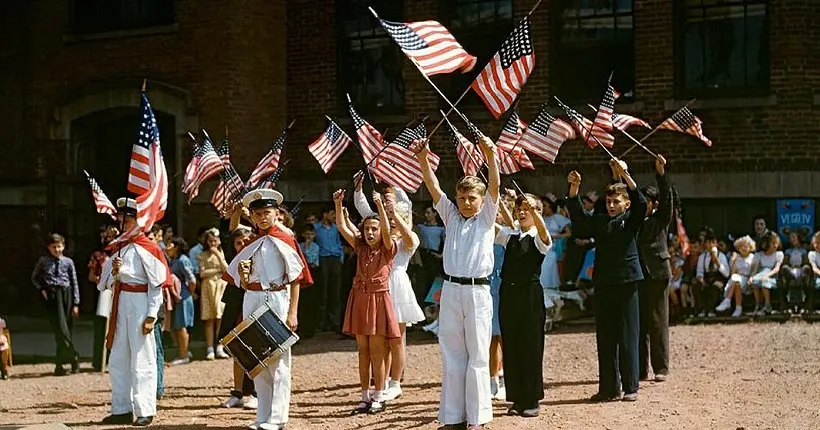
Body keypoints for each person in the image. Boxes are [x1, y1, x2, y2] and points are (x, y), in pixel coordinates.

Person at [415, 133, 500, 429]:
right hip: (451, 289)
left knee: (477, 352)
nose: (465, 202)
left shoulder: (487, 218)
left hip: (478, 291)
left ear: (480, 201)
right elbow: (434, 187)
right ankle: (452, 416)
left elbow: (494, 187)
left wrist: (490, 156)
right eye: (462, 197)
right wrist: (424, 159)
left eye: (471, 198)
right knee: (452, 351)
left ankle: (477, 417)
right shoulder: (450, 216)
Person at [224, 188, 312, 430]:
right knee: (257, 359)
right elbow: (239, 278)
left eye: (267, 212)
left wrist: (292, 312)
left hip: (276, 299)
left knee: (279, 361)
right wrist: (243, 277)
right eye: (257, 213)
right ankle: (262, 415)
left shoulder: (285, 240)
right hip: (251, 298)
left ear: (276, 214)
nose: (262, 217)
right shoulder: (251, 243)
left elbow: (295, 278)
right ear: (251, 216)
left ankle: (278, 417)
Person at [565, 159, 647, 402]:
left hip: (627, 282)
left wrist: (625, 174)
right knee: (606, 335)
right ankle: (609, 388)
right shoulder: (600, 222)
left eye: (616, 202)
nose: (611, 205)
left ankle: (631, 386)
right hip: (603, 283)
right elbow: (579, 218)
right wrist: (574, 190)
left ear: (626, 204)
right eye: (609, 202)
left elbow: (641, 204)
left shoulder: (631, 220)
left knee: (628, 334)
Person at [98, 198, 170, 426]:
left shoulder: (148, 248)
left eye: (128, 219)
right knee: (119, 358)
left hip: (140, 303)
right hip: (121, 304)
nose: (123, 223)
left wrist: (151, 315)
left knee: (142, 358)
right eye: (121, 219)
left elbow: (156, 284)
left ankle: (144, 409)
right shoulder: (118, 248)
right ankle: (121, 407)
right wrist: (115, 272)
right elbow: (104, 283)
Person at [352, 182, 425, 402]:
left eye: (394, 218)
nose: (391, 222)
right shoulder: (379, 239)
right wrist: (358, 190)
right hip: (377, 289)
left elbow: (407, 231)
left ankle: (396, 382)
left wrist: (395, 212)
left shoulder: (406, 240)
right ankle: (380, 383)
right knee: (379, 340)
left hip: (398, 287)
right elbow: (364, 210)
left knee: (397, 339)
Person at [334, 189, 399, 414]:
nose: (370, 233)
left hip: (379, 299)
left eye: (374, 229)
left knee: (377, 350)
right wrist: (338, 204)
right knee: (363, 350)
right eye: (367, 229)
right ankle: (364, 395)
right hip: (360, 298)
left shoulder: (388, 249)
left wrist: (380, 205)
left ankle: (379, 394)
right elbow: (342, 227)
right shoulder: (360, 248)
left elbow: (388, 232)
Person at [496, 194, 551, 417]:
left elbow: (545, 236)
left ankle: (532, 398)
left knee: (530, 346)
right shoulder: (510, 236)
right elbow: (497, 224)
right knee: (512, 345)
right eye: (519, 207)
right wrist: (499, 200)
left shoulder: (538, 237)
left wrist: (535, 212)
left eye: (527, 207)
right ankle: (517, 398)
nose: (522, 210)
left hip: (529, 295)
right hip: (508, 294)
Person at [636, 155, 673, 383]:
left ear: (653, 203)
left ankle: (661, 367)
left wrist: (661, 174)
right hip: (638, 273)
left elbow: (668, 200)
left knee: (658, 321)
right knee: (638, 323)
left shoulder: (660, 219)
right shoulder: (633, 220)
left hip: (657, 273)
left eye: (646, 200)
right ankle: (639, 369)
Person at [220, 226, 258, 410]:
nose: (242, 245)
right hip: (236, 306)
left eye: (246, 241)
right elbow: (230, 228)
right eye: (238, 243)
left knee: (256, 350)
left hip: (256, 305)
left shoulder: (260, 258)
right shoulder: (234, 261)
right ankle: (238, 393)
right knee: (237, 350)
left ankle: (256, 393)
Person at [31, 233, 80, 376]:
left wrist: (76, 303)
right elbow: (34, 277)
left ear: (63, 246)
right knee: (59, 328)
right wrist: (42, 290)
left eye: (59, 246)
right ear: (49, 248)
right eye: (54, 247)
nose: (57, 250)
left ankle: (60, 365)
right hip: (52, 296)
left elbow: (74, 282)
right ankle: (73, 356)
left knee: (66, 329)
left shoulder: (68, 262)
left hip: (67, 294)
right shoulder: (43, 261)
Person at [198, 230, 230, 360]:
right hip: (208, 287)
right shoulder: (202, 255)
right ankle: (210, 348)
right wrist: (218, 270)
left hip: (220, 287)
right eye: (210, 240)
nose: (212, 243)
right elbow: (202, 273)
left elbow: (227, 270)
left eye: (215, 240)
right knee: (209, 318)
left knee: (220, 317)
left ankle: (220, 347)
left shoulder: (221, 254)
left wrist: (218, 256)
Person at [314, 206, 344, 333]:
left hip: (335, 259)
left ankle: (335, 322)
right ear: (325, 214)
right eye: (331, 214)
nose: (333, 217)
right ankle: (321, 323)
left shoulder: (336, 228)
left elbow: (339, 242)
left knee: (335, 291)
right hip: (323, 259)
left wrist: (341, 256)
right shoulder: (316, 228)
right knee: (322, 291)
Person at [166, 237, 196, 365]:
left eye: (169, 245)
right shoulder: (174, 260)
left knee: (181, 326)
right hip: (176, 295)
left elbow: (192, 280)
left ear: (176, 246)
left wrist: (189, 293)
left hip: (183, 295)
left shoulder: (183, 260)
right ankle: (183, 351)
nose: (167, 248)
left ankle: (183, 355)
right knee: (175, 326)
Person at [718, 235, 756, 317]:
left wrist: (751, 279)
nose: (743, 248)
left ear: (750, 247)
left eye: (746, 246)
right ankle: (738, 308)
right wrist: (732, 262)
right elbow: (732, 273)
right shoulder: (736, 257)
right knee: (736, 281)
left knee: (736, 280)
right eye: (741, 246)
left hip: (747, 280)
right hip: (736, 279)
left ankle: (727, 300)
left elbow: (754, 271)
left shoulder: (753, 257)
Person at [694, 231, 730, 317]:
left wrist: (717, 263)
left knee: (715, 286)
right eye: (708, 243)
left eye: (712, 243)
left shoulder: (721, 256)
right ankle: (702, 309)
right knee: (696, 285)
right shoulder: (702, 257)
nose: (710, 245)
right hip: (707, 277)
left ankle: (712, 309)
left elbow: (727, 273)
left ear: (716, 244)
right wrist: (700, 278)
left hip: (718, 278)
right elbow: (699, 271)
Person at [416, 205, 446, 305]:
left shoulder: (441, 229)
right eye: (425, 213)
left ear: (435, 214)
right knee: (422, 283)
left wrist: (442, 255)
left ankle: (432, 308)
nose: (426, 215)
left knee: (433, 283)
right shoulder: (421, 227)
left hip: (434, 256)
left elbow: (446, 242)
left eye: (429, 213)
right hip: (423, 255)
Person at [750, 232, 784, 316]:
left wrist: (767, 275)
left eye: (776, 243)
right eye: (773, 243)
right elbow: (755, 269)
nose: (775, 245)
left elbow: (776, 269)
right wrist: (751, 277)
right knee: (754, 281)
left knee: (765, 283)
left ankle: (767, 305)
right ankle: (758, 304)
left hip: (772, 276)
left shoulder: (779, 254)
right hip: (761, 274)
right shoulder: (759, 255)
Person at [298, 223, 320, 338]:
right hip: (303, 273)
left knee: (311, 302)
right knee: (302, 302)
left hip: (313, 272)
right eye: (306, 234)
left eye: (311, 234)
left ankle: (311, 329)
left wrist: (307, 248)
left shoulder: (316, 247)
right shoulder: (299, 245)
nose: (309, 236)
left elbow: (311, 260)